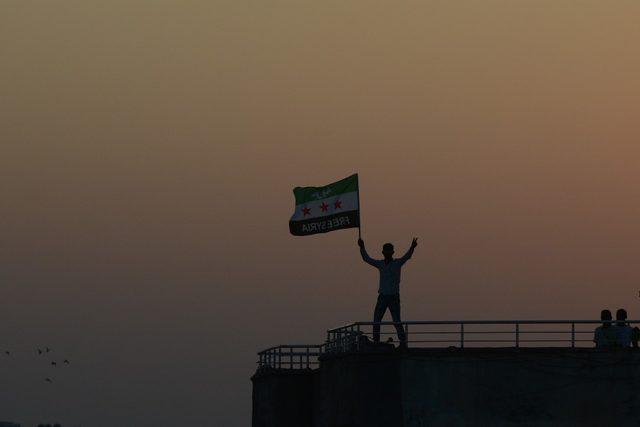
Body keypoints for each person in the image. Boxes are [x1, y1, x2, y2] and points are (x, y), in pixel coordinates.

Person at [358, 237, 418, 348]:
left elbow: (407, 256)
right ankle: (376, 342)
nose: (387, 254)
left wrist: (412, 247)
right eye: (386, 252)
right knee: (376, 321)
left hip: (393, 297)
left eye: (389, 252)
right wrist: (362, 247)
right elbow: (367, 259)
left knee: (396, 321)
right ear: (383, 253)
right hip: (383, 296)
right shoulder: (381, 264)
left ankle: (403, 342)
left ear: (392, 252)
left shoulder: (397, 263)